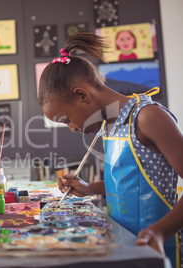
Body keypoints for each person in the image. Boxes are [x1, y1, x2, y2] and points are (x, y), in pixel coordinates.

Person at [38, 31, 183, 268]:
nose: (72, 129)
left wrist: (159, 231)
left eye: (66, 119)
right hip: (125, 245)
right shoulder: (109, 125)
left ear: (82, 95)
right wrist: (87, 188)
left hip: (160, 248)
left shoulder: (148, 117)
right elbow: (131, 183)